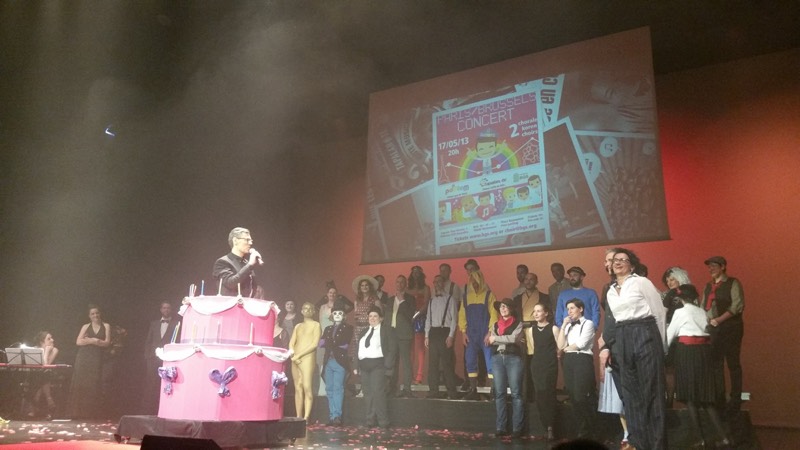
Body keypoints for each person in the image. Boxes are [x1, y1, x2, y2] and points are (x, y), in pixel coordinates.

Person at [605, 248, 667, 450]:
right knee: (630, 394)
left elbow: (659, 313)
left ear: (632, 265)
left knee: (652, 391)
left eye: (623, 259)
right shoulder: (610, 291)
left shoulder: (641, 282)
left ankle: (657, 445)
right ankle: (639, 443)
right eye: (615, 260)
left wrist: (661, 345)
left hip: (645, 331)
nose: (618, 262)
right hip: (622, 336)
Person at [665, 285, 731, 448]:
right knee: (706, 399)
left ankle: (700, 439)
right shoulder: (702, 312)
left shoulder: (680, 312)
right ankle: (724, 437)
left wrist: (663, 351)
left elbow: (669, 336)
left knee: (690, 398)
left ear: (680, 299)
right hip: (703, 353)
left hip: (687, 353)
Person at [701, 256, 745, 417]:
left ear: (723, 267)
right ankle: (719, 399)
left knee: (733, 363)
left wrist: (719, 320)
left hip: (731, 328)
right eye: (709, 266)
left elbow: (737, 305)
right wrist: (707, 321)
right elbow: (704, 306)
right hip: (714, 329)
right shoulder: (708, 286)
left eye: (714, 266)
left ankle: (735, 399)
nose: (711, 269)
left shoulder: (732, 283)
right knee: (716, 364)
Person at [557, 299, 598, 440]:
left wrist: (565, 349)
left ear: (580, 309)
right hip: (569, 360)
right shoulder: (568, 326)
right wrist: (563, 326)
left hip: (582, 358)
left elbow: (581, 344)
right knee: (573, 396)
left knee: (581, 395)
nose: (569, 311)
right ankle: (581, 429)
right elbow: (560, 344)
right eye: (568, 309)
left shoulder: (588, 323)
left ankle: (590, 429)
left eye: (572, 308)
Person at [354, 305, 397, 428]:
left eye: (375, 316)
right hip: (364, 366)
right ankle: (370, 421)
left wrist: (387, 365)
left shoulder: (386, 330)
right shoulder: (363, 332)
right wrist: (356, 365)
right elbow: (358, 349)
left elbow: (392, 348)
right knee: (368, 394)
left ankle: (383, 421)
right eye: (370, 316)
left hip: (378, 365)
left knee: (378, 393)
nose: (372, 318)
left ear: (381, 318)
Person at [458, 269, 497, 400]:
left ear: (481, 281)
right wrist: (463, 332)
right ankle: (473, 389)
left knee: (490, 362)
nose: (474, 284)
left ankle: (493, 390)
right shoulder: (466, 297)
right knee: (470, 361)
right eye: (472, 281)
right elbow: (462, 315)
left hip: (485, 333)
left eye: (476, 281)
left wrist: (490, 332)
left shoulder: (489, 295)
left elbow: (494, 314)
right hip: (471, 335)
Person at [489, 298, 524, 438]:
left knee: (516, 393)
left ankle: (517, 428)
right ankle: (501, 427)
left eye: (506, 306)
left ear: (511, 309)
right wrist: (502, 338)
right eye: (501, 307)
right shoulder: (495, 324)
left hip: (513, 358)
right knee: (499, 393)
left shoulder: (518, 323)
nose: (503, 309)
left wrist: (497, 339)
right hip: (497, 358)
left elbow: (514, 339)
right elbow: (491, 340)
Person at [69, 304, 112, 419]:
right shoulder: (85, 326)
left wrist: (91, 340)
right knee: (81, 384)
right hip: (83, 357)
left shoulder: (106, 325)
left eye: (97, 313)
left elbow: (107, 342)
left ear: (100, 314)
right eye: (92, 314)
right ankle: (78, 413)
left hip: (97, 357)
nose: (95, 315)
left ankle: (91, 413)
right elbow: (78, 342)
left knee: (94, 384)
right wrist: (94, 341)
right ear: (89, 316)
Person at [424, 275, 459, 399]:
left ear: (443, 283)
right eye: (435, 282)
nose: (437, 284)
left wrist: (451, 336)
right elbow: (428, 319)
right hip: (433, 332)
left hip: (445, 332)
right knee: (432, 364)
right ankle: (433, 391)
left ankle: (452, 392)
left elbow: (454, 319)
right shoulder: (431, 300)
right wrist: (426, 335)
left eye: (439, 281)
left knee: (447, 364)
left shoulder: (450, 299)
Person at [142, 301, 180, 414]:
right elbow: (149, 341)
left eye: (168, 308)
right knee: (151, 382)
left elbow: (178, 341)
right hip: (153, 358)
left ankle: (165, 408)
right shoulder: (154, 324)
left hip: (167, 358)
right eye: (164, 308)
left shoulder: (176, 324)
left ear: (171, 310)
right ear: (161, 310)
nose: (166, 310)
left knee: (165, 382)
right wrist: (148, 356)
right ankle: (148, 409)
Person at [320, 301, 353, 426]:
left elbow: (345, 345)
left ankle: (337, 416)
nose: (337, 315)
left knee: (338, 388)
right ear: (332, 315)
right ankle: (332, 416)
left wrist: (330, 342)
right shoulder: (328, 328)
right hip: (328, 361)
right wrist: (332, 343)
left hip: (340, 362)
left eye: (340, 313)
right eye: (335, 313)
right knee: (329, 389)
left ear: (344, 316)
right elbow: (321, 344)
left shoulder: (348, 328)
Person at [529, 303, 559, 440]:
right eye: (534, 311)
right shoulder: (531, 330)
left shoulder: (553, 328)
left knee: (549, 393)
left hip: (550, 364)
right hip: (537, 365)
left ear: (546, 313)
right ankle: (545, 426)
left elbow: (560, 346)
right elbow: (533, 347)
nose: (536, 314)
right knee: (539, 395)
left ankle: (551, 426)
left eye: (539, 311)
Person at [288, 302, 321, 420]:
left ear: (314, 311)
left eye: (310, 309)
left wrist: (298, 355)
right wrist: (293, 354)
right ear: (301, 311)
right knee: (298, 387)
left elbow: (314, 344)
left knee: (307, 386)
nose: (307, 310)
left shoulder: (316, 325)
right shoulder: (298, 326)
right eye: (305, 308)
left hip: (307, 358)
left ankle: (306, 417)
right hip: (295, 358)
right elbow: (291, 343)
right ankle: (298, 416)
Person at [212, 227, 263, 298]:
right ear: (235, 241)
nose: (250, 243)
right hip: (231, 304)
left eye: (251, 240)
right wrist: (250, 265)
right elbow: (231, 283)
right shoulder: (222, 262)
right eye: (247, 240)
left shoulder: (246, 263)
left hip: (247, 303)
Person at [387, 275, 415, 397]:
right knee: (391, 362)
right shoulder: (390, 299)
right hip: (391, 334)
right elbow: (387, 318)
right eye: (397, 282)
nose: (399, 284)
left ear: (405, 284)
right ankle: (391, 387)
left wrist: (403, 301)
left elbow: (410, 315)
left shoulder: (410, 299)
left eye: (402, 282)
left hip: (404, 334)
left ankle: (407, 388)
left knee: (406, 362)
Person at [407, 266, 431, 385]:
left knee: (420, 348)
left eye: (418, 272)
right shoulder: (407, 289)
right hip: (408, 320)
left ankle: (419, 376)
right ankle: (410, 376)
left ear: (421, 274)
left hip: (420, 319)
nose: (415, 274)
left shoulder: (426, 288)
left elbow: (426, 305)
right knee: (410, 348)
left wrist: (416, 315)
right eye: (413, 272)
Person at [28, 331, 59, 418]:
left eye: (51, 338)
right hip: (35, 374)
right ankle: (49, 400)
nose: (52, 340)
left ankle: (34, 405)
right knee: (39, 376)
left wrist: (47, 351)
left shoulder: (54, 350)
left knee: (44, 375)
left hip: (50, 374)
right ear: (42, 342)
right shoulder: (35, 350)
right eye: (49, 339)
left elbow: (45, 365)